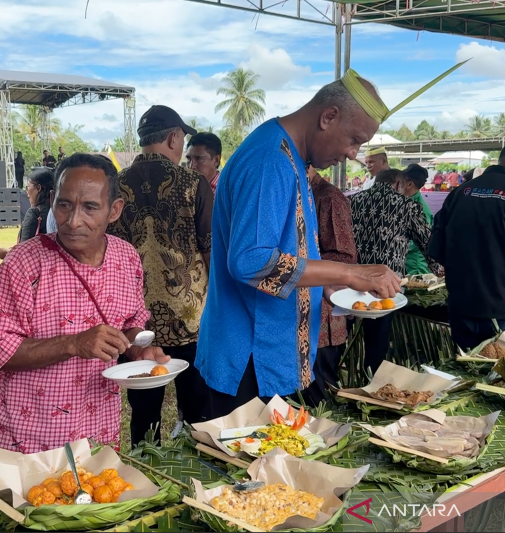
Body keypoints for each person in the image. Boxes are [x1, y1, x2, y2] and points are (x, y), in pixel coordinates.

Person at [195, 59, 462, 416]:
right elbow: (251, 261)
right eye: (354, 140)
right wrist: (349, 274)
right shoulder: (270, 159)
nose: (353, 154)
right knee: (252, 471)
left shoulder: (289, 156)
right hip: (250, 359)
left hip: (269, 353)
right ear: (328, 116)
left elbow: (291, 251)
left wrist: (332, 287)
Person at [0, 153, 168, 453]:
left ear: (114, 210)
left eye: (90, 207)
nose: (72, 220)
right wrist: (73, 343)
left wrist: (138, 350)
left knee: (101, 496)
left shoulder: (126, 257)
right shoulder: (22, 263)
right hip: (31, 436)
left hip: (98, 429)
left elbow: (132, 323)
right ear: (53, 199)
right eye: (65, 204)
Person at [109, 104, 211, 445]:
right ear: (173, 138)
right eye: (181, 140)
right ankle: (198, 470)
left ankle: (147, 466)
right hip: (190, 317)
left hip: (136, 321)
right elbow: (209, 247)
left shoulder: (116, 185)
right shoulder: (194, 183)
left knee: (144, 409)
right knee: (197, 409)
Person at [350, 169, 442, 372]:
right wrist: (439, 270)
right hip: (386, 286)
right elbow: (428, 243)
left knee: (346, 339)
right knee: (377, 344)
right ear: (400, 185)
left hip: (350, 283)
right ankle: (371, 381)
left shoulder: (353, 201)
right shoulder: (408, 206)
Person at [428, 148, 505, 350]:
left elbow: (437, 248)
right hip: (500, 312)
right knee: (496, 379)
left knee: (468, 373)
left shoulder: (461, 192)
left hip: (461, 306)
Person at [303, 165, 357, 406]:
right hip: (298, 315)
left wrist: (298, 265)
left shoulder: (329, 198)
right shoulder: (300, 193)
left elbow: (344, 257)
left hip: (323, 316)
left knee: (321, 393)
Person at [397, 164, 433, 276]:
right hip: (407, 261)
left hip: (415, 265)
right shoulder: (406, 203)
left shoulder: (419, 208)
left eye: (401, 182)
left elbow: (423, 239)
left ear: (409, 184)